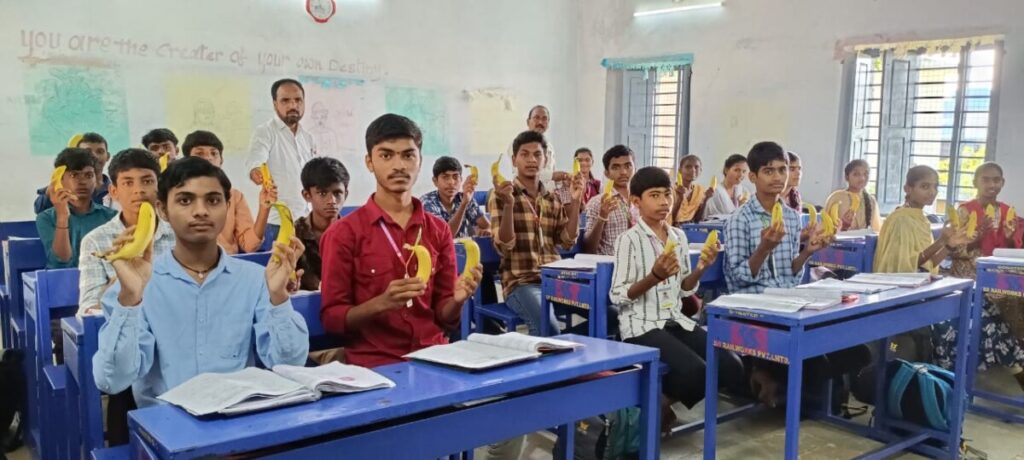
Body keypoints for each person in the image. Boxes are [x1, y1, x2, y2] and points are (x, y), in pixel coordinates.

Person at [92, 156, 310, 408]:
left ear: (228, 206)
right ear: (162, 210)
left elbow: (289, 363)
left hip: (238, 417)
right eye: (185, 200)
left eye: (213, 200)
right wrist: (130, 299)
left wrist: (279, 297)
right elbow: (111, 381)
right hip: (168, 425)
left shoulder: (254, 279)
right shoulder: (138, 283)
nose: (201, 211)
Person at [320, 114, 482, 368]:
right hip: (375, 365)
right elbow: (332, 319)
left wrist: (457, 300)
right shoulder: (343, 234)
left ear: (419, 161)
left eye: (408, 155)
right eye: (386, 155)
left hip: (434, 357)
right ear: (369, 162)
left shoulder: (438, 230)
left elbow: (444, 317)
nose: (399, 165)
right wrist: (381, 303)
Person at [610, 166, 744, 431]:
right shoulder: (629, 240)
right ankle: (654, 403)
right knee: (696, 370)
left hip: (673, 319)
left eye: (667, 195)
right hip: (641, 323)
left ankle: (661, 401)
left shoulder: (678, 236)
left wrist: (702, 268)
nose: (663, 202)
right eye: (654, 195)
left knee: (731, 365)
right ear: (636, 201)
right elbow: (618, 296)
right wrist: (653, 277)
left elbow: (684, 289)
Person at [489, 130, 583, 336]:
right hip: (521, 283)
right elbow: (504, 246)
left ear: (546, 159)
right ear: (514, 160)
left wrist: (575, 201)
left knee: (611, 314)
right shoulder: (501, 195)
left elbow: (567, 242)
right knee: (547, 328)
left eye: (537, 154)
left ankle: (565, 344)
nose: (532, 160)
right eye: (525, 154)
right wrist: (508, 206)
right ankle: (556, 347)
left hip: (556, 279)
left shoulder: (552, 198)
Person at [939, 163, 1024, 389]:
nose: (992, 185)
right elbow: (954, 251)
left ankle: (1014, 356)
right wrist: (977, 238)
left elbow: (1010, 250)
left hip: (997, 273)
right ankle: (1011, 363)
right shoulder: (964, 211)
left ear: (1002, 183)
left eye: (996, 180)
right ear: (975, 182)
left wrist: (1008, 236)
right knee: (999, 301)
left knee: (1017, 300)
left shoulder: (1007, 212)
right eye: (986, 180)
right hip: (968, 274)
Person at [78, 149, 176, 316]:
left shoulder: (180, 235)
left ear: (159, 187)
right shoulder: (95, 241)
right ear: (114, 192)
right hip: (126, 332)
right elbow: (88, 311)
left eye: (147, 181)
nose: (139, 190)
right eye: (128, 183)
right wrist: (120, 287)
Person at [246, 78, 319, 242]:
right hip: (277, 223)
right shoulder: (265, 132)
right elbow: (256, 157)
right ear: (274, 104)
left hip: (307, 220)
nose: (293, 105)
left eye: (298, 100)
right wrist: (255, 171)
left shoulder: (308, 138)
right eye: (285, 100)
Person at [182, 130, 275, 254]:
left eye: (214, 153)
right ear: (186, 161)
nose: (208, 158)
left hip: (227, 265)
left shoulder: (234, 196)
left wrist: (264, 208)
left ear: (221, 161)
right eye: (199, 153)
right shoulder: (177, 196)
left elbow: (249, 246)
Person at [873, 165, 967, 274]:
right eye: (925, 187)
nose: (932, 192)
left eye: (935, 187)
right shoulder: (901, 220)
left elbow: (928, 264)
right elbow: (905, 267)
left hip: (920, 282)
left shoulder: (920, 218)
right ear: (908, 189)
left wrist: (950, 244)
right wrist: (941, 241)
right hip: (900, 285)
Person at [35, 148, 117, 269]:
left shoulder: (111, 217)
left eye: (89, 175)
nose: (82, 181)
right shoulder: (46, 218)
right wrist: (62, 216)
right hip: (61, 282)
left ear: (96, 179)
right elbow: (61, 261)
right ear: (60, 180)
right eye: (74, 175)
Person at [295, 157, 349, 291]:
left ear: (346, 194)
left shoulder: (354, 232)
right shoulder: (293, 233)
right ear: (307, 195)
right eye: (322, 193)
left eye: (337, 193)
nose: (331, 200)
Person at [34, 132, 113, 213]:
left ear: (108, 156)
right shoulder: (62, 187)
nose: (94, 156)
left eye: (100, 151)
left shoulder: (117, 189)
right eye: (87, 152)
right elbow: (40, 210)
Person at [582, 145, 638, 256]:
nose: (623, 172)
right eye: (616, 167)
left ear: (635, 168)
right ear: (607, 173)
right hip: (609, 266)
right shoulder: (597, 202)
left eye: (628, 166)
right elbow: (588, 249)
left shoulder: (641, 200)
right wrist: (602, 217)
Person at [420, 156, 491, 238]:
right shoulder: (427, 202)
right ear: (435, 181)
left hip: (464, 249)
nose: (451, 182)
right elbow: (445, 236)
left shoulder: (464, 197)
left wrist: (485, 231)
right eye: (445, 177)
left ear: (461, 179)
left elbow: (487, 226)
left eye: (455, 177)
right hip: (436, 250)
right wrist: (464, 204)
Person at [504, 105, 567, 193]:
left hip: (548, 198)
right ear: (528, 122)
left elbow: (552, 176)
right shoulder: (518, 144)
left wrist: (563, 182)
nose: (540, 122)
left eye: (544, 119)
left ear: (548, 123)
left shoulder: (549, 146)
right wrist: (553, 175)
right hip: (524, 194)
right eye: (536, 118)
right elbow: (521, 173)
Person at [825, 159, 881, 232]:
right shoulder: (836, 197)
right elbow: (826, 226)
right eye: (856, 174)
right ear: (846, 177)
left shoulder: (871, 201)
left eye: (866, 174)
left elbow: (876, 230)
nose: (862, 178)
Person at [671, 154, 715, 224]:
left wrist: (705, 199)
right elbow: (670, 218)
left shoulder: (700, 190)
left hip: (691, 228)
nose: (693, 170)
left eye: (696, 167)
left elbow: (697, 220)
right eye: (688, 167)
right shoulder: (671, 190)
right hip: (673, 228)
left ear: (700, 170)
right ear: (680, 170)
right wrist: (680, 199)